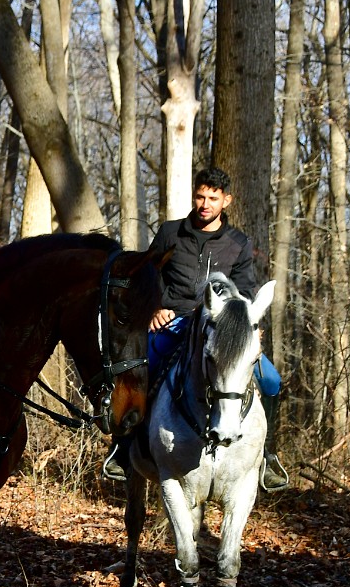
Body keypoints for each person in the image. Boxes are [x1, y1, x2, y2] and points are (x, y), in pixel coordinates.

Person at [103, 166, 288, 491]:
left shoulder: (238, 243)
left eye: (213, 198)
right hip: (172, 320)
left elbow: (245, 290)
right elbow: (148, 276)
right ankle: (122, 446)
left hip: (220, 328)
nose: (205, 203)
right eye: (200, 196)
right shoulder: (171, 233)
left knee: (271, 380)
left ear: (226, 201)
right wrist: (154, 308)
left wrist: (247, 325)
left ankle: (268, 456)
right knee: (140, 371)